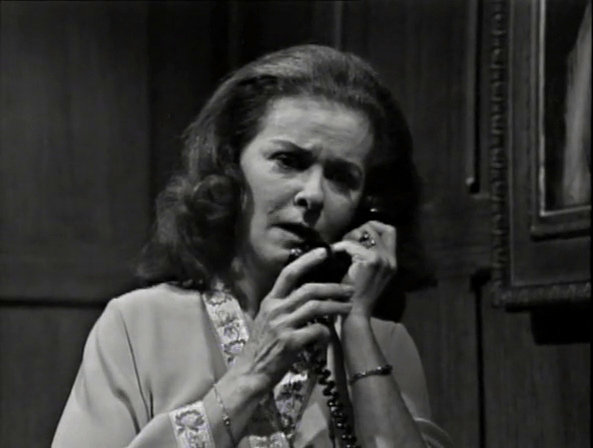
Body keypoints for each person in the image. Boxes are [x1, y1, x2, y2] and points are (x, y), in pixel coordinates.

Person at [52, 44, 453, 448]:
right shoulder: (136, 324)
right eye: (288, 161)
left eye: (341, 177)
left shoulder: (386, 342)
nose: (313, 194)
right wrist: (251, 376)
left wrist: (358, 331)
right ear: (229, 166)